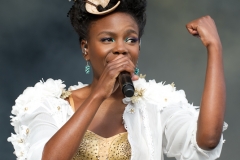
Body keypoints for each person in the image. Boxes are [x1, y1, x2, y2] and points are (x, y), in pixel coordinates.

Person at [8, 0, 227, 159]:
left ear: (139, 47)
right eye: (107, 39)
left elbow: (207, 141)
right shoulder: (50, 104)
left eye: (131, 39)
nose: (121, 48)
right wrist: (98, 95)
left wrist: (214, 48)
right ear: (85, 48)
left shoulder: (155, 105)